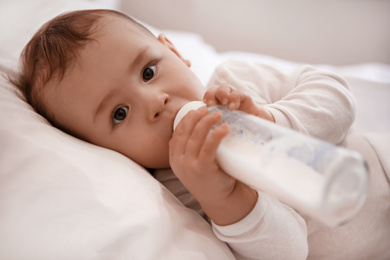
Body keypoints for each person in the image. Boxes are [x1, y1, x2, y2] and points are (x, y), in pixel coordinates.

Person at [11, 9, 390, 260]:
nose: (155, 101)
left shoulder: (237, 82)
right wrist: (222, 196)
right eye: (119, 114)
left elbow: (338, 96)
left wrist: (273, 121)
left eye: (147, 72)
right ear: (100, 149)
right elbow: (289, 250)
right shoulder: (180, 193)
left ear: (173, 51)